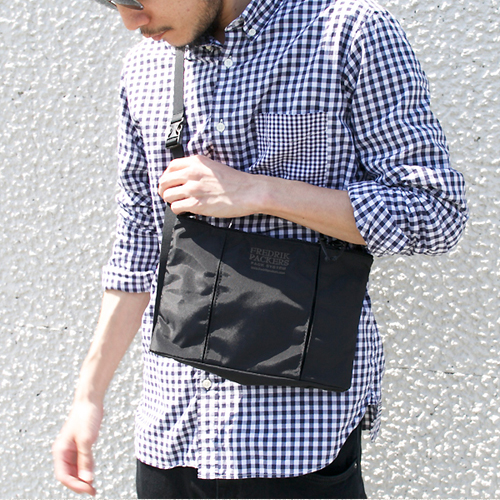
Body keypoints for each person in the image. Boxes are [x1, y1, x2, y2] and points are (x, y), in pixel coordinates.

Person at [52, 0, 468, 497]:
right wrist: (88, 398)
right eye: (113, 1)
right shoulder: (146, 66)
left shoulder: (347, 32)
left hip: (296, 447)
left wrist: (259, 192)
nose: (130, 21)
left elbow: (434, 211)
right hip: (171, 438)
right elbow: (138, 245)